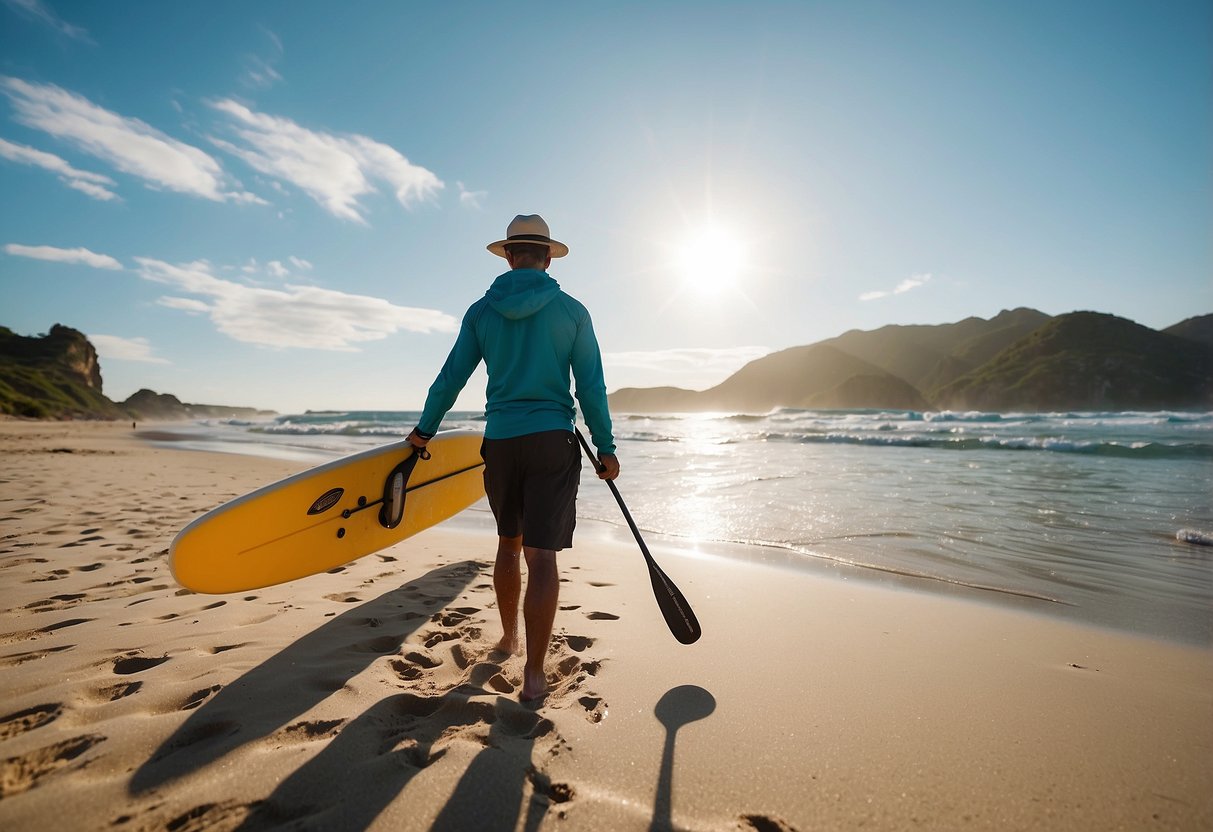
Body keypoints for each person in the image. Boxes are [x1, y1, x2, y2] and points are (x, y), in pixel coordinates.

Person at [407, 214, 619, 702]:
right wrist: (605, 447)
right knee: (542, 557)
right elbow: (591, 387)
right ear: (547, 257)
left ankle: (507, 638)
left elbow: (450, 378)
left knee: (509, 544)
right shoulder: (572, 311)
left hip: (501, 440)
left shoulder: (482, 312)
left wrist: (425, 430)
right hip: (552, 440)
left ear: (507, 255)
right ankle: (536, 674)